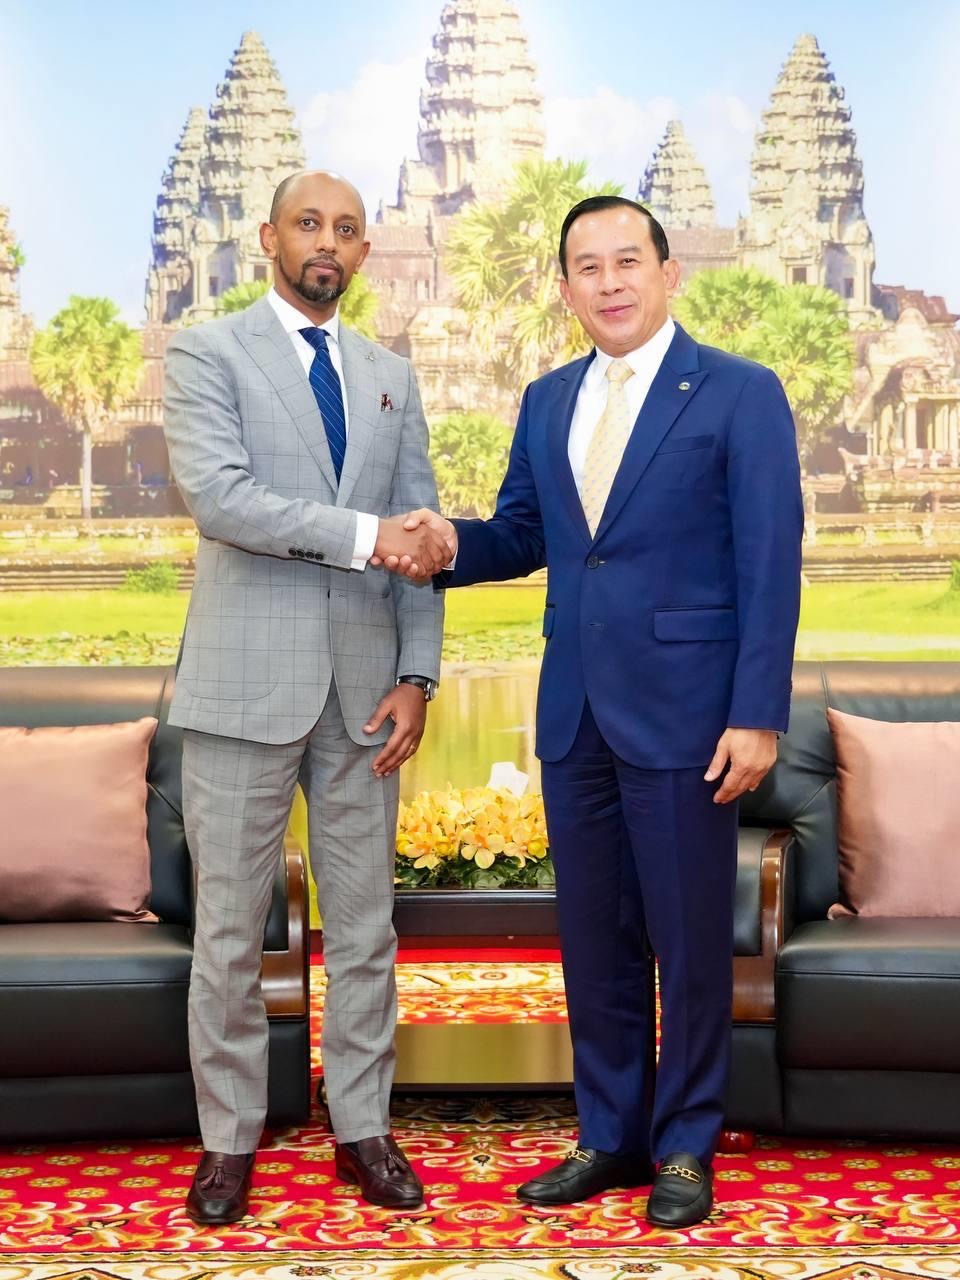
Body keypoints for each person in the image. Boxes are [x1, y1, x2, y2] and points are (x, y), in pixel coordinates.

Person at [392, 196, 803, 1227]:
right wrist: (450, 544)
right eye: (588, 266)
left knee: (689, 940)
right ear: (566, 288)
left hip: (690, 716)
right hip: (576, 710)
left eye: (628, 261)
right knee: (595, 940)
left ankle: (685, 1143)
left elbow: (770, 561)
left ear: (669, 273)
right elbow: (527, 532)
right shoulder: (547, 400)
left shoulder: (740, 392)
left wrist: (757, 711)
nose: (610, 281)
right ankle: (610, 1134)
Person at [163, 170, 452, 1225]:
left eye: (346, 228)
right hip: (242, 689)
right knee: (231, 934)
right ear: (268, 236)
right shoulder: (207, 352)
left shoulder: (389, 375)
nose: (326, 241)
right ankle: (228, 1139)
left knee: (365, 929)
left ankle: (364, 1127)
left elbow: (420, 531)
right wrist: (368, 535)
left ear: (365, 251)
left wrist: (417, 674)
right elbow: (223, 499)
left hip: (366, 697)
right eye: (308, 223)